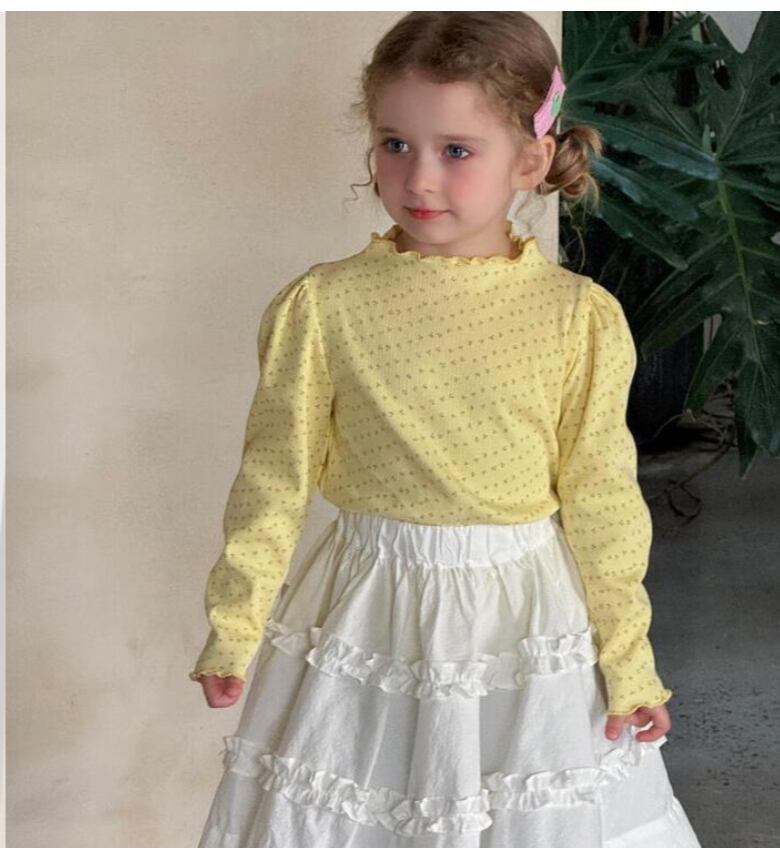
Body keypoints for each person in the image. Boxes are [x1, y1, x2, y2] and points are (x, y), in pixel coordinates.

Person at [188, 11, 702, 849]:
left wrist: (627, 658)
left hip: (523, 621)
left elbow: (602, 500)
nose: (418, 177)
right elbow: (273, 477)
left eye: (456, 150)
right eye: (394, 144)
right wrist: (236, 624)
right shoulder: (322, 305)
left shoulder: (578, 318)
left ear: (529, 160)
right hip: (366, 610)